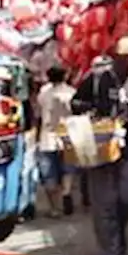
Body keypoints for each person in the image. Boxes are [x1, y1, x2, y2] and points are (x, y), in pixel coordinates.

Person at [71, 37, 128, 255]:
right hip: (99, 146)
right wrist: (95, 113)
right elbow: (75, 102)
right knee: (104, 202)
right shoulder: (97, 78)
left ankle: (118, 238)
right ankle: (110, 252)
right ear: (117, 57)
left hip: (127, 147)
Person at [35, 67, 76, 217]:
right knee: (68, 170)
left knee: (49, 175)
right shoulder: (71, 93)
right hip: (67, 137)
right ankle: (66, 192)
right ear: (65, 75)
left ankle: (54, 208)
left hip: (47, 138)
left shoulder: (44, 93)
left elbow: (38, 114)